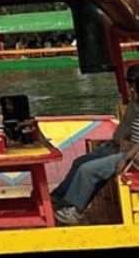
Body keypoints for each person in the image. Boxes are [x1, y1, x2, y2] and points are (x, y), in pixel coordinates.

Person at [51, 63, 139, 224]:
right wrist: (120, 142)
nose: (131, 89)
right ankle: (59, 199)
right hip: (125, 148)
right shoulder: (135, 103)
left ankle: (74, 210)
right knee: (80, 162)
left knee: (88, 170)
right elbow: (126, 129)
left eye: (132, 85)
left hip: (132, 156)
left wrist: (125, 157)